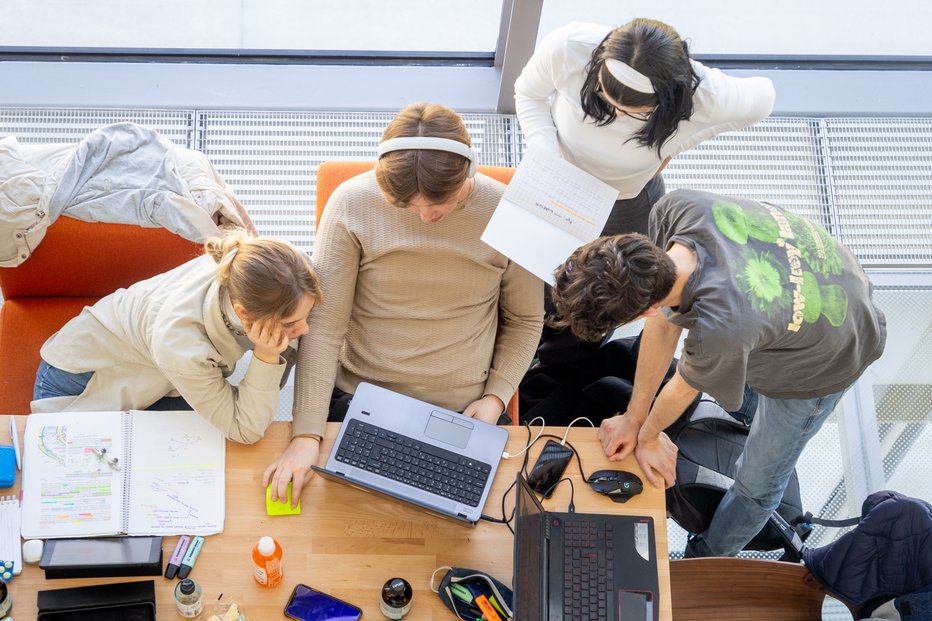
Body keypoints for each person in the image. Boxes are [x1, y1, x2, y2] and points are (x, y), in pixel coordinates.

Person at [548, 188, 886, 557]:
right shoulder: (676, 209)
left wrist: (646, 436)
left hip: (832, 351)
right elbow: (664, 323)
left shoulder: (723, 327)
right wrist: (634, 418)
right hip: (817, 282)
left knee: (757, 486)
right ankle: (743, 410)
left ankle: (704, 558)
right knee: (741, 377)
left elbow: (683, 386)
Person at [264, 102, 545, 504]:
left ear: (470, 169)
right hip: (359, 400)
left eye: (438, 204)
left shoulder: (511, 213)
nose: (425, 216)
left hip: (464, 410)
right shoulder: (352, 203)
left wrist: (495, 397)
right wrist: (306, 433)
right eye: (407, 207)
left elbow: (525, 319)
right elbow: (323, 328)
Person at [32, 230, 322, 444]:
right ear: (243, 314)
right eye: (290, 323)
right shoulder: (182, 344)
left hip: (158, 373)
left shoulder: (256, 271)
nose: (305, 330)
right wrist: (267, 356)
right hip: (81, 382)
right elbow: (246, 430)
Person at [515, 19, 776, 237]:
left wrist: (678, 142)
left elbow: (764, 100)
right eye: (605, 98)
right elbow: (528, 93)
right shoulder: (568, 47)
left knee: (617, 281)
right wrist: (546, 158)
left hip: (627, 202)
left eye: (631, 112)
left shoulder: (708, 95)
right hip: (556, 181)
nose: (617, 114)